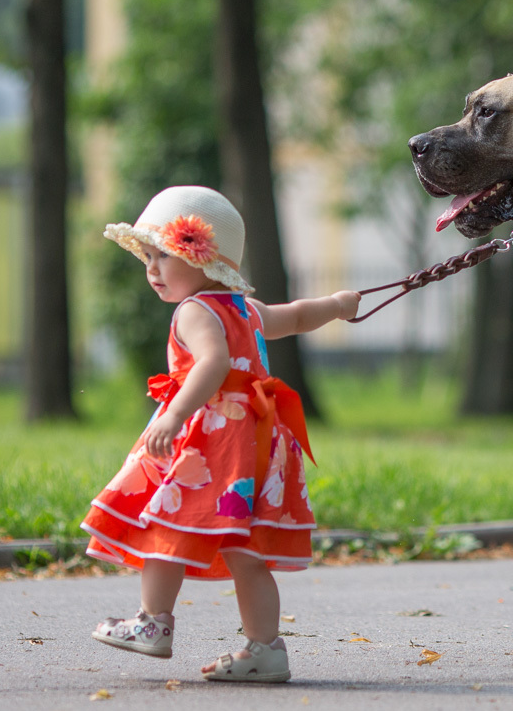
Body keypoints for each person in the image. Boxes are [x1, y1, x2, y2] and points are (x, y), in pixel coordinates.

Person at [82, 185, 359, 683]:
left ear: (201, 257)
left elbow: (209, 364)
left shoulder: (193, 311)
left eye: (162, 256)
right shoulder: (244, 310)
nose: (151, 269)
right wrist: (336, 305)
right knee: (246, 551)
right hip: (257, 443)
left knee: (166, 525)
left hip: (212, 441)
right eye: (147, 257)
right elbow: (295, 316)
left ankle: (154, 624)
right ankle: (265, 649)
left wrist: (173, 414)